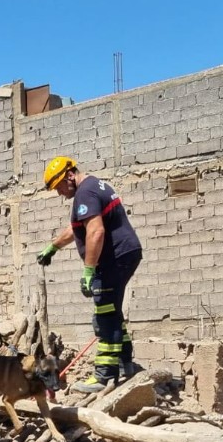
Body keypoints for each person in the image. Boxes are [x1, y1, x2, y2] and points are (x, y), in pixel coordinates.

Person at [37, 157, 143, 392]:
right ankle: (126, 364)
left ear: (69, 176)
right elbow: (77, 229)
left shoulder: (85, 192)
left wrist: (89, 269)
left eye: (60, 187)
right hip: (125, 253)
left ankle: (104, 376)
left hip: (113, 258)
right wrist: (53, 247)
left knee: (104, 315)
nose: (60, 194)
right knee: (111, 311)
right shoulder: (95, 186)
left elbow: (95, 232)